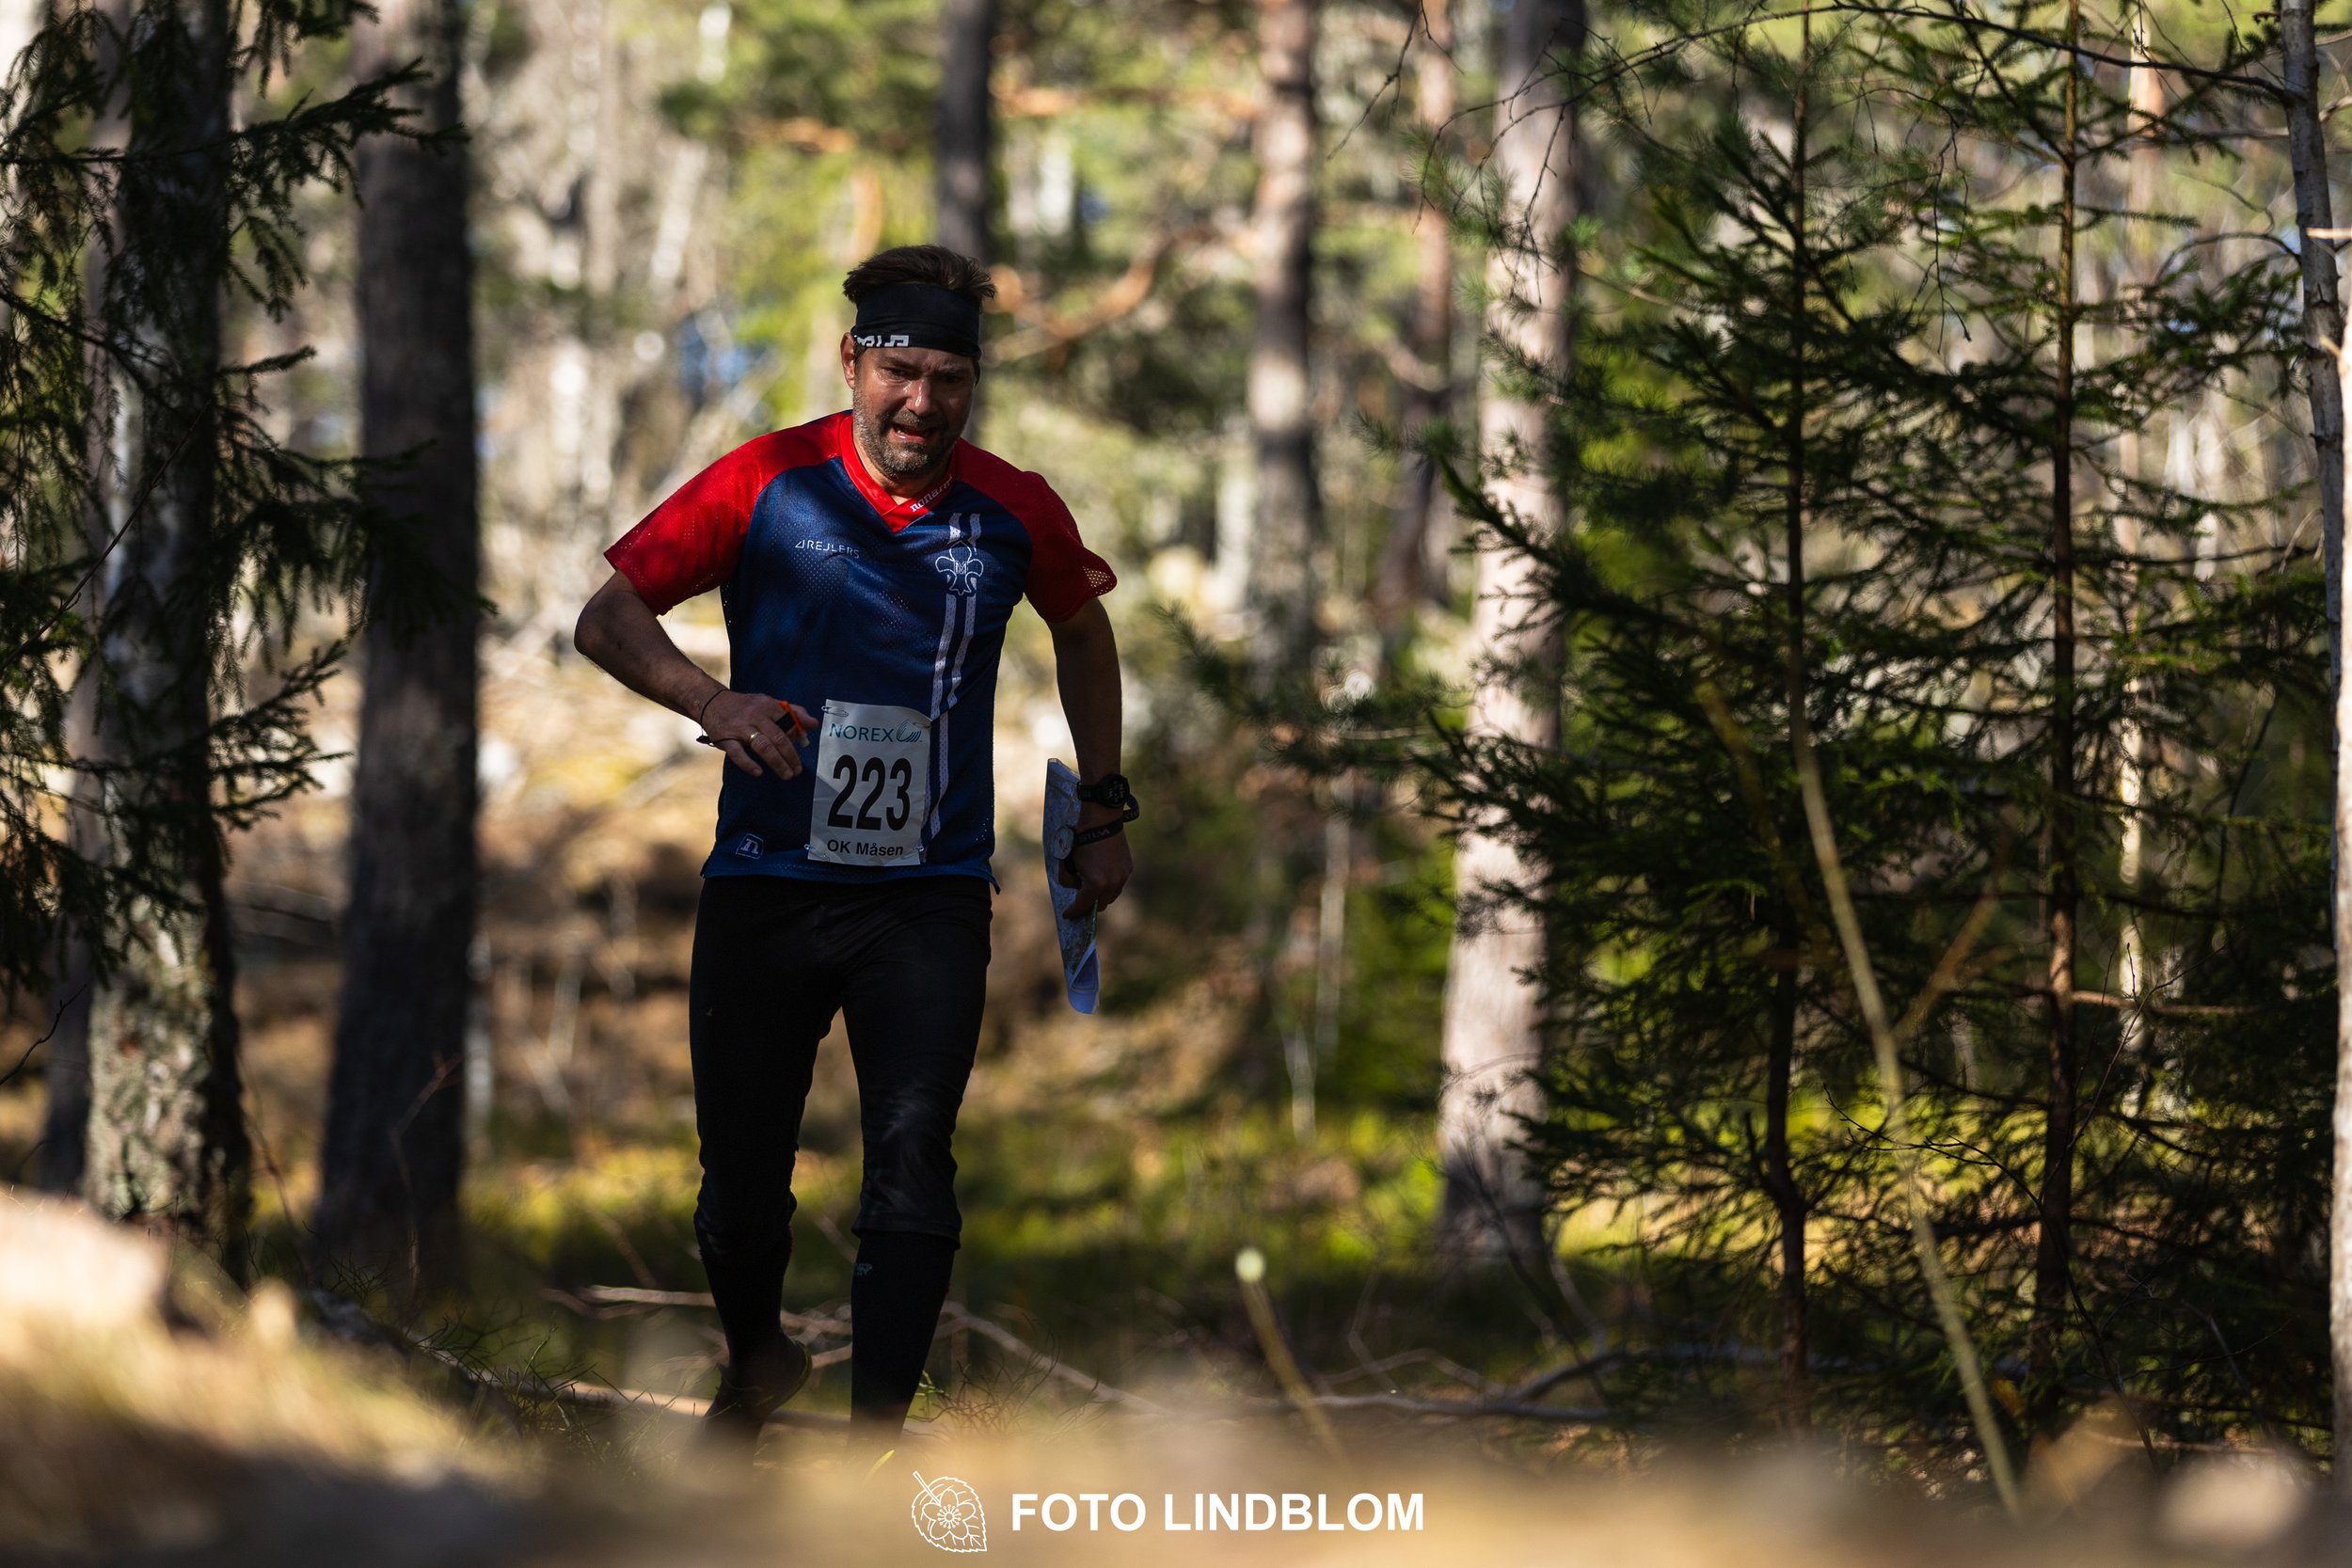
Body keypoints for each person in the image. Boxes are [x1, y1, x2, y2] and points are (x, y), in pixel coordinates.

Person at [572, 245, 1134, 1462]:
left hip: (926, 897)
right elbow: (608, 618)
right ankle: (759, 1354)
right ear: (853, 364)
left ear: (973, 384)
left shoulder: (1012, 507)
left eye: (947, 378)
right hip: (765, 881)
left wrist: (1103, 806)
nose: (920, 402)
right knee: (737, 1189)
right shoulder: (766, 482)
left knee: (912, 1154)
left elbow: (1085, 635)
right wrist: (712, 704)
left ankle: (877, 1439)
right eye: (898, 371)